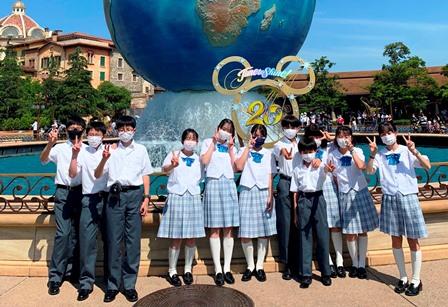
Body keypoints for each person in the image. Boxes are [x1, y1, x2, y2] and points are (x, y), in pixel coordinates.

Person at [366, 122, 430, 296]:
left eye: (389, 132)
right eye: (383, 134)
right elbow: (370, 171)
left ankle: (416, 279)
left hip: (408, 196)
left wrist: (414, 150)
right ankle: (403, 277)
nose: (386, 136)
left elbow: (427, 166)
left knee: (412, 239)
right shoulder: (380, 154)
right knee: (395, 239)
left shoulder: (406, 150)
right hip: (390, 197)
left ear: (395, 132)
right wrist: (372, 155)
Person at [95, 116, 152, 303]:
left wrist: (146, 198)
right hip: (114, 197)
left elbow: (145, 175)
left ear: (134, 130)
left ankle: (129, 285)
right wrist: (104, 159)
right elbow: (97, 174)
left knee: (132, 242)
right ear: (117, 131)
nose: (125, 131)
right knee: (113, 240)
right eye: (121, 129)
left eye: (128, 128)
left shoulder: (141, 150)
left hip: (135, 196)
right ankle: (112, 285)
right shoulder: (110, 150)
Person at [40, 116, 86, 296]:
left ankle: (73, 272)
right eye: (71, 127)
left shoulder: (89, 149)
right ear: (66, 130)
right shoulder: (59, 148)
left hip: (82, 192)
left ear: (83, 128)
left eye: (78, 126)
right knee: (62, 234)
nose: (75, 129)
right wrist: (50, 144)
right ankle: (55, 277)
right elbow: (43, 160)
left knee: (78, 234)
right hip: (63, 192)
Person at [328, 126, 378, 279]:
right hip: (344, 193)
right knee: (350, 233)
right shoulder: (332, 154)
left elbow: (362, 166)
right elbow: (333, 174)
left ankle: (361, 264)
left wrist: (351, 150)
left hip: (359, 191)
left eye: (347, 136)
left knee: (362, 230)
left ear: (351, 137)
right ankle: (355, 263)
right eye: (340, 136)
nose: (344, 139)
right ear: (336, 138)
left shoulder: (357, 151)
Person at [68, 120, 110, 301]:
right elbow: (71, 174)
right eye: (91, 133)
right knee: (87, 242)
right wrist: (74, 156)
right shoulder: (82, 150)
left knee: (112, 241)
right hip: (88, 199)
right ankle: (86, 283)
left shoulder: (111, 151)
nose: (93, 137)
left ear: (103, 135)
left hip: (108, 200)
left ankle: (111, 282)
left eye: (97, 134)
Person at [158, 129, 205, 287]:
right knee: (176, 237)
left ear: (197, 142)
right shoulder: (174, 154)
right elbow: (164, 170)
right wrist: (172, 164)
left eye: (193, 139)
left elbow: (202, 177)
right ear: (182, 140)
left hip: (192, 198)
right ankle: (172, 270)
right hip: (177, 197)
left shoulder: (199, 159)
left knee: (191, 237)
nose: (190, 141)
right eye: (187, 138)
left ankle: (187, 269)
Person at [235, 124, 277, 282]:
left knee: (263, 231)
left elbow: (270, 175)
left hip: (263, 191)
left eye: (261, 135)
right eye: (255, 135)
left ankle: (259, 266)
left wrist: (270, 194)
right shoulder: (244, 150)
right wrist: (248, 147)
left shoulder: (269, 153)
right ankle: (250, 265)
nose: (258, 138)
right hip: (247, 190)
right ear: (251, 135)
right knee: (246, 231)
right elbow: (238, 166)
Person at [200, 119, 239, 286]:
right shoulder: (208, 142)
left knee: (228, 229)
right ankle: (217, 269)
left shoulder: (233, 147)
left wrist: (231, 148)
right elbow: (204, 161)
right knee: (215, 229)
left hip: (228, 184)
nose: (226, 132)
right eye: (224, 128)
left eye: (229, 130)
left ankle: (227, 268)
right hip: (214, 184)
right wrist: (214, 142)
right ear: (218, 128)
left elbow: (236, 167)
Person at [304, 124, 345, 278]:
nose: (315, 139)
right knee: (322, 227)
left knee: (335, 225)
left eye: (317, 135)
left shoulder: (328, 147)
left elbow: (344, 140)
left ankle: (340, 261)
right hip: (316, 189)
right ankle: (328, 261)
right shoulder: (306, 151)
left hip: (329, 186)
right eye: (312, 136)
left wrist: (329, 138)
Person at [290, 136, 332, 288]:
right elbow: (294, 191)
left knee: (322, 236)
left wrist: (325, 165)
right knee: (304, 237)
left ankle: (326, 272)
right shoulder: (297, 169)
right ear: (300, 153)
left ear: (315, 151)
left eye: (311, 151)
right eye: (304, 151)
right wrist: (295, 212)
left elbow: (327, 170)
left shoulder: (319, 165)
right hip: (303, 200)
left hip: (318, 198)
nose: (308, 154)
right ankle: (305, 274)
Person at [273, 115, 300, 280]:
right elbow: (279, 152)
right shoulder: (278, 144)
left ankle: (299, 261)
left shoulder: (302, 143)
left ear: (298, 128)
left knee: (299, 223)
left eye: (293, 126)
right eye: (287, 126)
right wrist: (283, 152)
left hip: (301, 184)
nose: (290, 129)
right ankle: (287, 263)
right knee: (285, 223)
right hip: (285, 182)